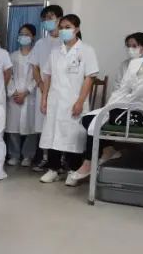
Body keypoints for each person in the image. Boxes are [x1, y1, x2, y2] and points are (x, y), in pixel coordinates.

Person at [70, 38, 143, 186]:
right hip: (123, 106)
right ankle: (107, 150)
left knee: (98, 122)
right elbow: (123, 89)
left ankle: (90, 161)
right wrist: (112, 106)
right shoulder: (135, 64)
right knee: (87, 120)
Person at [38, 14, 99, 184]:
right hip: (55, 100)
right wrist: (44, 99)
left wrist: (80, 101)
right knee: (53, 134)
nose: (64, 30)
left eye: (68, 27)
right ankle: (53, 169)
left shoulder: (86, 50)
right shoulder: (55, 51)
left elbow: (89, 78)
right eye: (61, 27)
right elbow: (47, 76)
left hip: (74, 100)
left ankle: (74, 170)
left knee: (74, 136)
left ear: (77, 29)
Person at [30, 5, 64, 172]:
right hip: (43, 89)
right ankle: (44, 158)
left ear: (59, 19)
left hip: (61, 89)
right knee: (43, 125)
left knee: (60, 124)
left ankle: (61, 160)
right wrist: (41, 85)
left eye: (50, 17)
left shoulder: (65, 42)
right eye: (44, 19)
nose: (47, 21)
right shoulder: (40, 43)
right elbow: (35, 67)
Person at [6, 24, 41, 167]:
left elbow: (38, 77)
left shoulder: (37, 56)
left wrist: (26, 92)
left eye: (27, 34)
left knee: (31, 128)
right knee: (12, 128)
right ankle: (14, 155)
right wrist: (14, 92)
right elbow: (8, 76)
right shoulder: (12, 56)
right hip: (14, 96)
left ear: (33, 37)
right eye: (21, 34)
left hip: (30, 96)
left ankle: (28, 155)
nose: (23, 37)